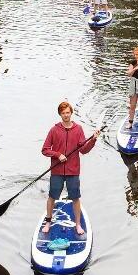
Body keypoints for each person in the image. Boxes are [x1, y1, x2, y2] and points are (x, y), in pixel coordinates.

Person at [41, 101, 100, 236]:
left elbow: (83, 150)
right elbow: (44, 150)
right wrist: (57, 155)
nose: (66, 115)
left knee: (75, 197)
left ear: (71, 113)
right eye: (63, 113)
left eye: (68, 112)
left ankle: (78, 224)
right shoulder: (54, 130)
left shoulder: (78, 129)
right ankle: (48, 222)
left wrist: (93, 140)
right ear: (60, 114)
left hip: (73, 171)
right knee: (52, 196)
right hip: (57, 171)